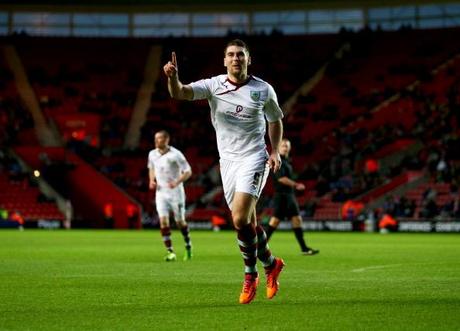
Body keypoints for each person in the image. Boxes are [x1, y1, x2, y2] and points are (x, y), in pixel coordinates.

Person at [163, 39, 285, 304]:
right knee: (248, 224)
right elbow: (180, 93)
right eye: (231, 55)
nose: (235, 58)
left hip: (254, 157)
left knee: (239, 219)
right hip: (227, 162)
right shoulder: (214, 85)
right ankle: (272, 264)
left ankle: (250, 275)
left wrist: (274, 151)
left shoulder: (263, 90)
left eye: (240, 55)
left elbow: (275, 120)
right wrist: (173, 78)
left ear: (248, 59)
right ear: (224, 60)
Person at [265, 139, 319, 255]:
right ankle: (261, 246)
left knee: (296, 219)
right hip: (282, 195)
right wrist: (296, 184)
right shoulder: (278, 161)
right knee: (275, 221)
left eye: (287, 146)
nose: (285, 147)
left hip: (288, 195)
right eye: (283, 145)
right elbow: (281, 178)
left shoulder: (287, 161)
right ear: (278, 148)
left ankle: (304, 248)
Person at [148, 130, 193, 261]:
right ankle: (170, 252)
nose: (156, 141)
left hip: (176, 193)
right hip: (161, 193)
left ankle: (188, 245)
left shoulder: (176, 154)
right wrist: (152, 180)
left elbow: (188, 171)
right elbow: (151, 168)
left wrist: (177, 181)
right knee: (163, 221)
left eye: (159, 139)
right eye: (155, 139)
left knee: (180, 222)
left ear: (166, 139)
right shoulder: (152, 154)